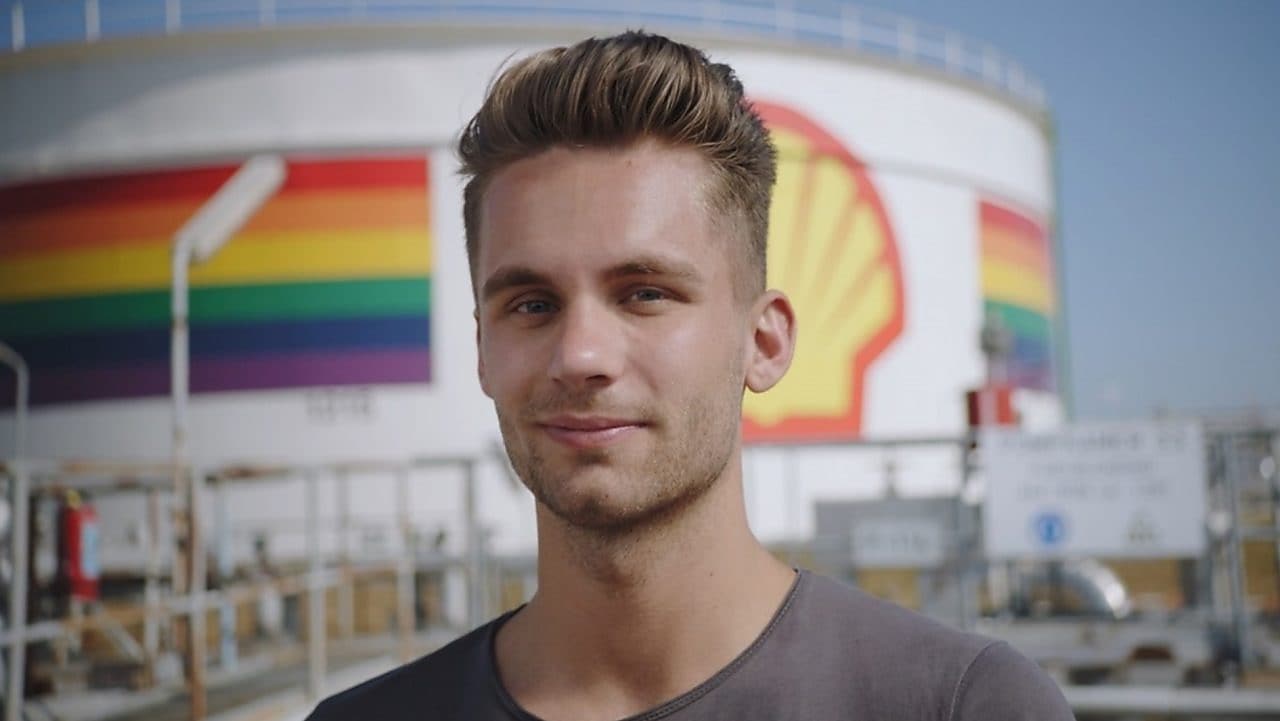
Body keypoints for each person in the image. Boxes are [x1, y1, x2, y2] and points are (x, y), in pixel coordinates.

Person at [307, 31, 1075, 721]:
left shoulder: (962, 705)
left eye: (645, 294)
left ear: (764, 342)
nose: (580, 354)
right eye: (532, 303)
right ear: (482, 350)